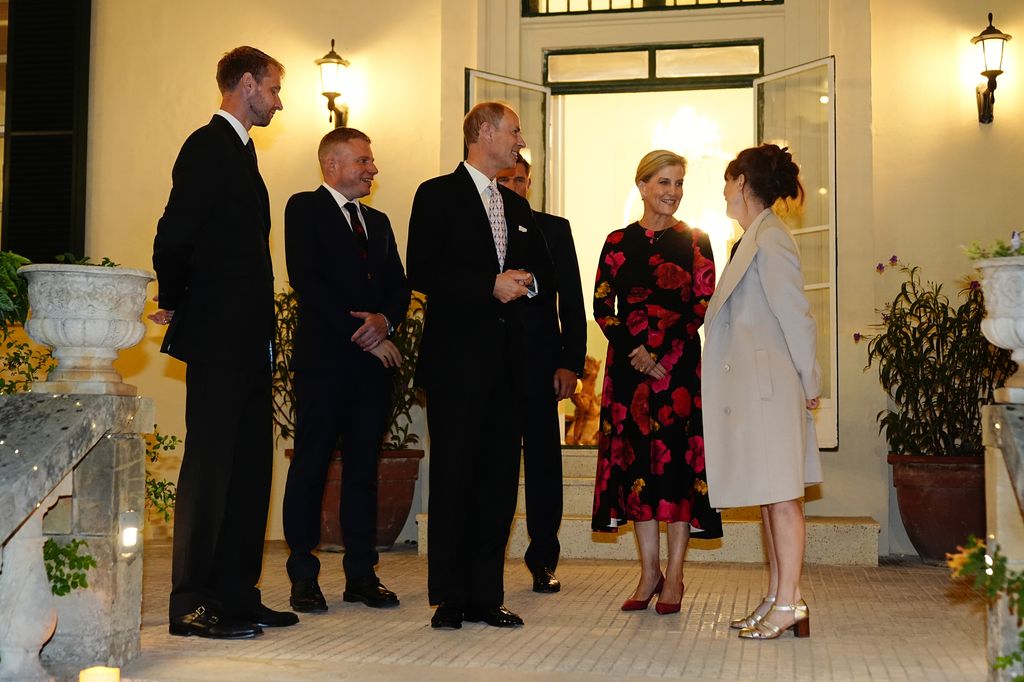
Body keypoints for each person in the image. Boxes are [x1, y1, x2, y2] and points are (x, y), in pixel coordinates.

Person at [151, 46, 297, 639]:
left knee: (248, 468)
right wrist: (177, 298)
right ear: (245, 84)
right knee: (212, 468)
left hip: (247, 337)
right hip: (217, 334)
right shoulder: (206, 145)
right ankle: (192, 602)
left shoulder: (243, 152)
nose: (279, 100)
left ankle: (236, 594)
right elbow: (174, 232)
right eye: (274, 88)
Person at [407, 101, 553, 630]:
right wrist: (486, 286)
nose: (519, 141)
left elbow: (541, 268)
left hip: (509, 365)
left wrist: (527, 282)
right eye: (513, 131)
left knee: (496, 482)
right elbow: (420, 269)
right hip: (455, 364)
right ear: (484, 132)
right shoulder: (436, 194)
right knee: (453, 478)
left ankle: (486, 594)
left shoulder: (515, 206)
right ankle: (449, 595)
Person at [281, 128, 410, 614]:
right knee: (311, 465)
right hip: (325, 364)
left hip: (371, 373)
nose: (372, 169)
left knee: (363, 471)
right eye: (363, 161)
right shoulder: (304, 208)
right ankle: (302, 575)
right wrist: (366, 336)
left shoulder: (377, 222)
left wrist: (386, 322)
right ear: (332, 165)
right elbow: (307, 281)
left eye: (371, 161)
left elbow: (399, 286)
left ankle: (361, 574)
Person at [591, 150, 722, 616]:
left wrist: (662, 354)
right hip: (629, 371)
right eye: (664, 182)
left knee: (676, 471)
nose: (673, 192)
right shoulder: (616, 241)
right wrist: (636, 353)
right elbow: (603, 305)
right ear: (642, 185)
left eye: (679, 183)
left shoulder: (697, 241)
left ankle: (677, 576)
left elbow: (704, 303)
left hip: (678, 370)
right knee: (638, 472)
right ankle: (649, 573)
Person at [702, 143, 822, 640]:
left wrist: (811, 382)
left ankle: (791, 601)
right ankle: (776, 595)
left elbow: (796, 315)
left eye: (730, 181)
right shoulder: (752, 236)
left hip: (771, 388)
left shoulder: (771, 238)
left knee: (783, 499)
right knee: (770, 499)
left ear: (745, 183)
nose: (725, 190)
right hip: (756, 390)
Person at [496, 155, 586, 594]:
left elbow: (572, 300)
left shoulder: (554, 228)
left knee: (544, 467)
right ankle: (488, 560)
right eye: (504, 178)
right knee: (495, 464)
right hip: (492, 366)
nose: (513, 185)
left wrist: (571, 361)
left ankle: (543, 559)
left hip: (541, 365)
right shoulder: (482, 228)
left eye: (520, 178)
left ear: (530, 182)